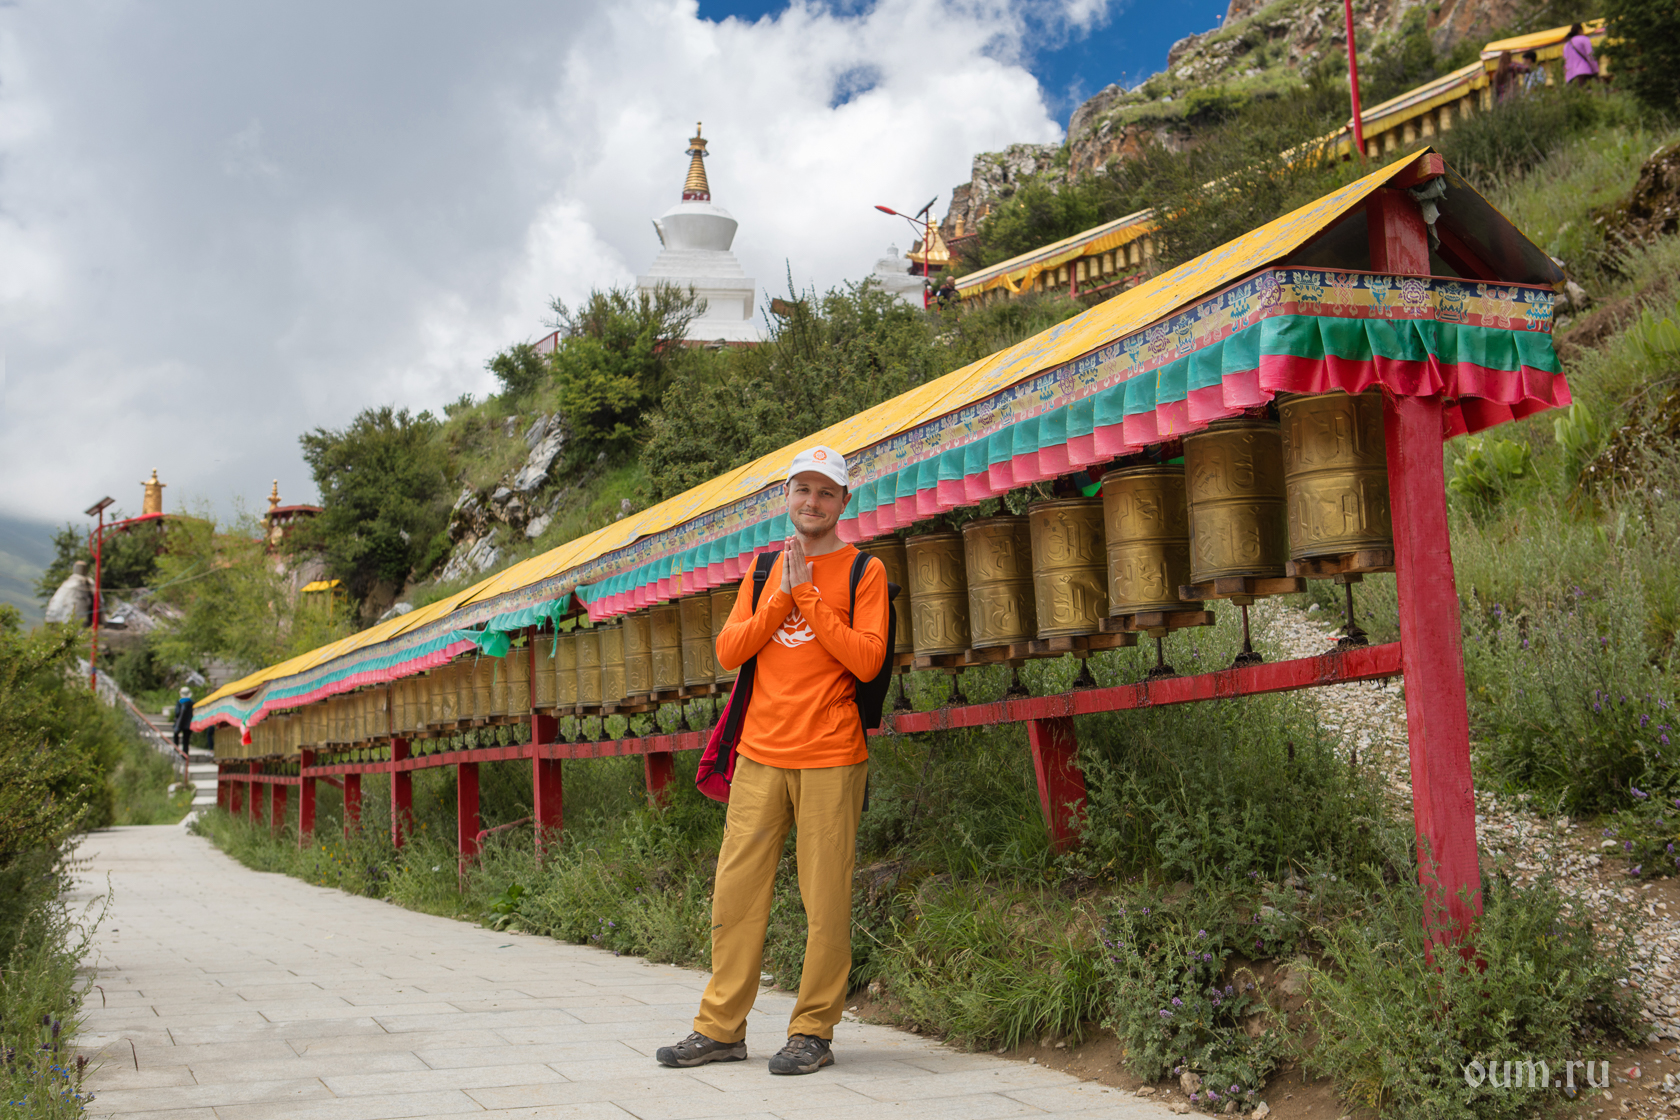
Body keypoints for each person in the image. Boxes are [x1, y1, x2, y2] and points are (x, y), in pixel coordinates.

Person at [655, 445, 888, 1076]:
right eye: (802, 490)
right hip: (759, 755)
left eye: (825, 492)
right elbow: (730, 650)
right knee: (735, 895)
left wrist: (808, 596)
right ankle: (720, 1029)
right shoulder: (762, 570)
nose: (812, 502)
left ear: (844, 501)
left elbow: (868, 660)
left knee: (826, 901)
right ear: (787, 497)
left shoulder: (864, 571)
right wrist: (781, 598)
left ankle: (813, 1031)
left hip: (831, 755)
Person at [172, 687, 194, 758]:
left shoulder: (180, 702)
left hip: (180, 723)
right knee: (186, 741)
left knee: (176, 735)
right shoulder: (192, 703)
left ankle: (176, 750)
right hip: (189, 724)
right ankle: (185, 755)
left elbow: (177, 713)